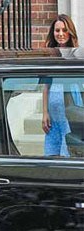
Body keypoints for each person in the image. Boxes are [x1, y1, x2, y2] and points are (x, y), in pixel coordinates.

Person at [42, 14, 79, 157]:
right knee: (53, 150)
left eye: (64, 30)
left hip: (71, 101)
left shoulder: (77, 54)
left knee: (69, 144)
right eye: (57, 30)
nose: (61, 34)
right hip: (54, 106)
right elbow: (46, 85)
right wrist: (44, 112)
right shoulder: (50, 54)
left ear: (70, 32)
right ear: (53, 33)